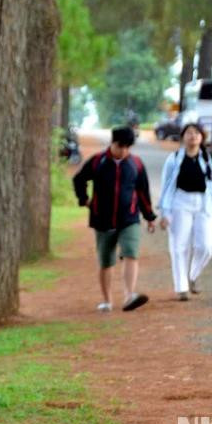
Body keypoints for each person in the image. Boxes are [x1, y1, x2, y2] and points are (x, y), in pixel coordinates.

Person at [73, 126, 157, 312]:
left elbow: (143, 192)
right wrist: (84, 200)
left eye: (128, 147)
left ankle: (129, 296)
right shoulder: (97, 161)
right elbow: (79, 180)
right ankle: (107, 301)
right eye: (121, 146)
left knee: (131, 253)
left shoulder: (136, 164)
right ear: (112, 143)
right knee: (106, 262)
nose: (124, 151)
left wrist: (149, 216)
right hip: (102, 220)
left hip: (129, 218)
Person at [157, 123, 212, 301]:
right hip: (180, 202)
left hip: (204, 202)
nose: (193, 136)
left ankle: (193, 274)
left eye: (196, 133)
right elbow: (166, 186)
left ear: (202, 137)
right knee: (179, 245)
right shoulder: (174, 158)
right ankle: (181, 287)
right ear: (183, 137)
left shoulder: (210, 158)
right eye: (189, 133)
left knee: (207, 244)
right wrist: (165, 212)